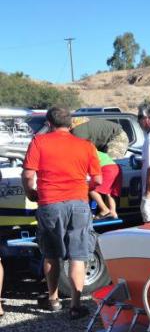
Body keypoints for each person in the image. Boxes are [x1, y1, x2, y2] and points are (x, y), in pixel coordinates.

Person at [21, 106, 102, 319]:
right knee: (78, 256)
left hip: (50, 203)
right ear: (70, 123)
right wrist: (84, 190)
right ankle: (75, 305)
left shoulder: (39, 142)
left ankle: (53, 299)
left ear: (49, 123)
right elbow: (98, 179)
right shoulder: (86, 145)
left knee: (52, 254)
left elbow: (28, 175)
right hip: (79, 203)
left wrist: (31, 193)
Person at [72, 117, 124, 219]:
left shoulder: (86, 151)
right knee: (109, 192)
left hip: (106, 168)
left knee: (91, 189)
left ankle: (104, 209)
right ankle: (113, 212)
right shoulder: (95, 150)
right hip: (116, 167)